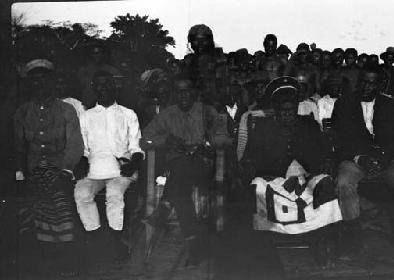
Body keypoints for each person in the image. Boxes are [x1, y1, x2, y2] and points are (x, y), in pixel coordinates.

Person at [331, 67, 394, 257]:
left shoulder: (388, 104)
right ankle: (352, 236)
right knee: (344, 183)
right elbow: (339, 140)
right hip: (355, 159)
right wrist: (361, 159)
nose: (367, 87)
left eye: (372, 83)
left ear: (379, 85)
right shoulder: (344, 104)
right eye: (364, 82)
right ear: (358, 82)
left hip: (385, 160)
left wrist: (383, 160)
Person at [140, 75, 229, 266]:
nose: (183, 95)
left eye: (187, 90)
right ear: (174, 94)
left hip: (204, 168)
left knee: (180, 170)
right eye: (179, 91)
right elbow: (144, 140)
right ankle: (194, 245)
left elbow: (223, 137)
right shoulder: (167, 114)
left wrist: (207, 143)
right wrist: (165, 140)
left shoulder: (207, 111)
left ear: (194, 93)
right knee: (180, 191)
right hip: (178, 172)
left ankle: (164, 206)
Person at [241, 76, 340, 239]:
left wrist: (324, 162)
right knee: (257, 186)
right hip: (273, 179)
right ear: (275, 108)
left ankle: (322, 239)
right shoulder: (263, 127)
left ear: (296, 107)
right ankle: (265, 240)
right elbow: (250, 156)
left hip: (306, 178)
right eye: (283, 110)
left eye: (292, 109)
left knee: (324, 183)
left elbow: (324, 152)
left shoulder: (309, 125)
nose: (288, 114)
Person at [14, 59, 84, 276]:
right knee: (36, 202)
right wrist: (19, 175)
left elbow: (75, 144)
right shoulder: (23, 112)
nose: (39, 85)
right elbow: (19, 147)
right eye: (34, 82)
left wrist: (66, 171)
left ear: (52, 83)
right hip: (34, 169)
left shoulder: (66, 110)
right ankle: (46, 258)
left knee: (57, 200)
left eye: (43, 81)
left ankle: (65, 259)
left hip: (61, 168)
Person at [74, 70, 144, 265]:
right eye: (99, 86)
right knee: (81, 193)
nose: (103, 89)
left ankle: (116, 241)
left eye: (107, 85)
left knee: (114, 194)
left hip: (122, 169)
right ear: (94, 89)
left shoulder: (128, 114)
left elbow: (136, 147)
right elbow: (84, 148)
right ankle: (95, 237)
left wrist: (134, 163)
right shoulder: (86, 116)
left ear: (115, 87)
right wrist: (82, 161)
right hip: (94, 168)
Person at [77, 42, 121, 109]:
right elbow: (79, 90)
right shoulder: (84, 71)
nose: (97, 55)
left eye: (99, 53)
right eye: (94, 53)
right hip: (88, 107)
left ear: (103, 54)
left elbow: (118, 92)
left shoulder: (113, 71)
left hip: (108, 107)